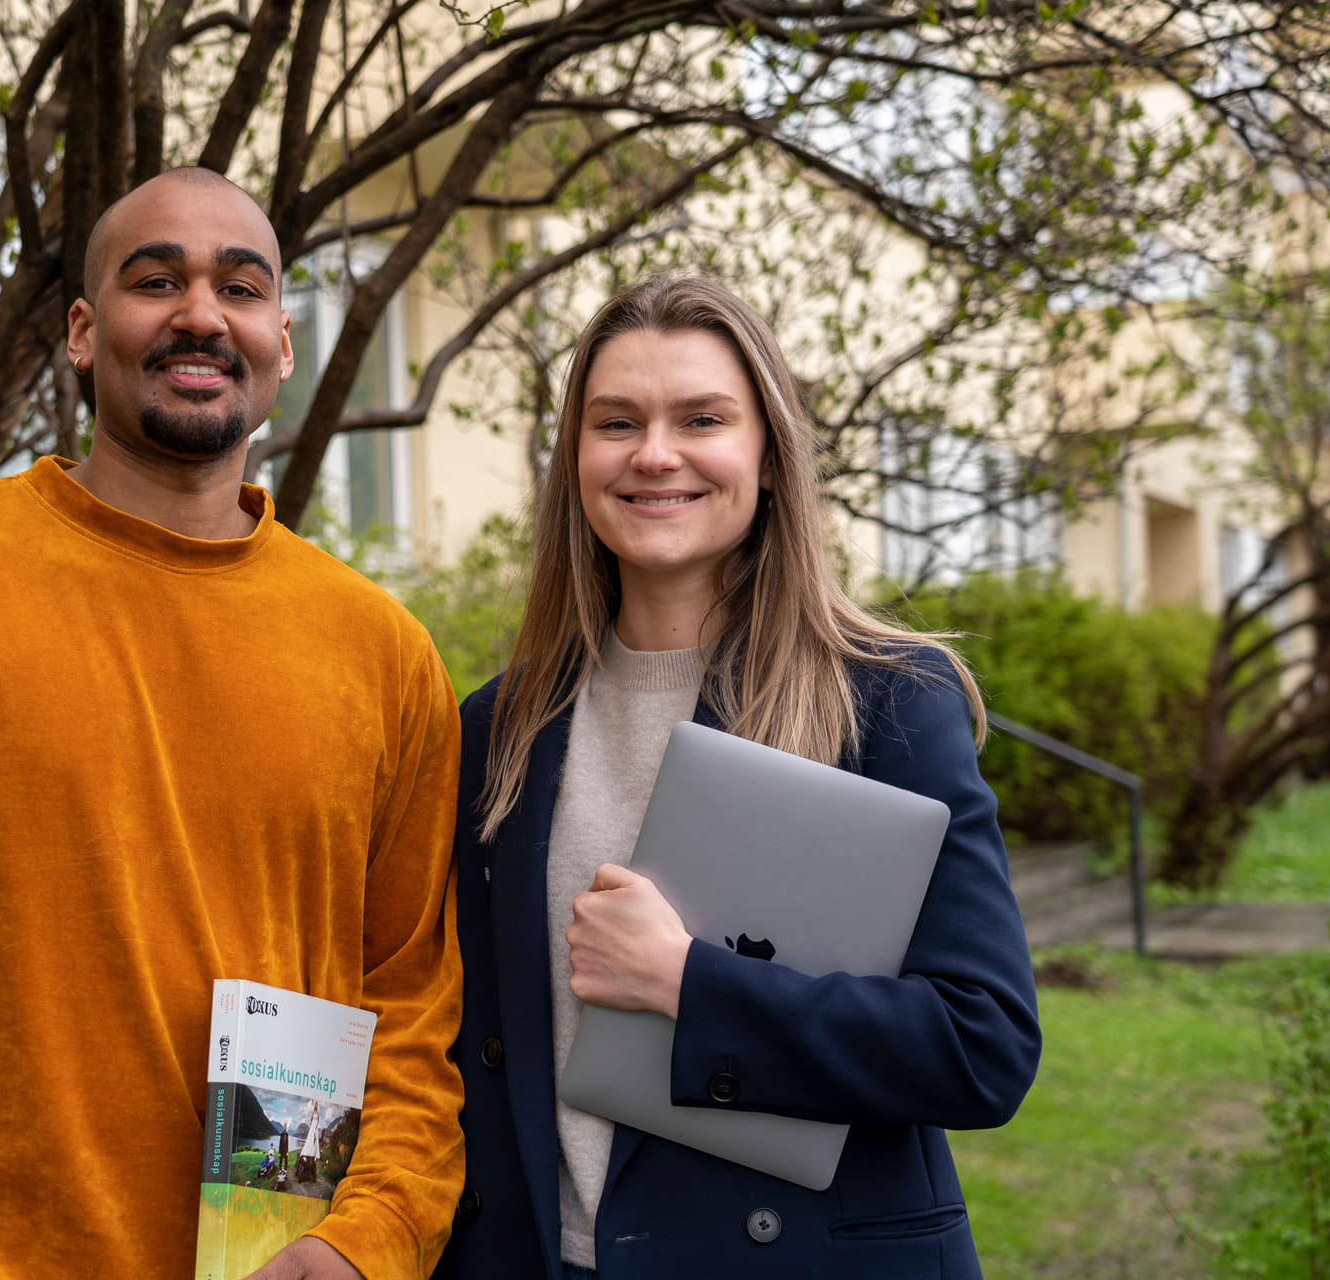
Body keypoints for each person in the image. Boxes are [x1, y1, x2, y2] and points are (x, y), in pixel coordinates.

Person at [0, 168, 465, 1280]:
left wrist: (368, 1241)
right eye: (157, 280)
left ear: (282, 344)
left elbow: (410, 1013)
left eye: (240, 289)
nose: (201, 313)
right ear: (81, 328)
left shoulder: (382, 655)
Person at [434, 276, 1041, 1280]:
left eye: (703, 418)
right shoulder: (499, 725)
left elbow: (982, 1044)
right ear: (575, 462)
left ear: (767, 456)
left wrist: (689, 984)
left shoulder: (883, 702)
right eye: (615, 421)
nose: (655, 453)